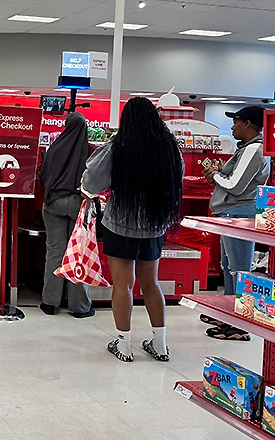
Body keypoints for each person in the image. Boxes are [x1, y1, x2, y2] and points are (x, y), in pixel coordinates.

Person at [81, 97, 183, 362]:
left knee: (123, 285)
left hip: (120, 223)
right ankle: (160, 344)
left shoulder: (118, 145)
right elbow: (177, 179)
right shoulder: (170, 148)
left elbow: (90, 181)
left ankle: (123, 344)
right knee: (151, 283)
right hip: (154, 223)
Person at [201, 105, 269, 342]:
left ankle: (239, 325)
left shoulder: (254, 149)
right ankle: (228, 315)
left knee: (240, 270)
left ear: (248, 124)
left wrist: (215, 176)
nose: (232, 126)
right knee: (230, 266)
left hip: (240, 214)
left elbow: (236, 186)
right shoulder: (248, 149)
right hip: (233, 213)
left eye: (236, 121)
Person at [39, 112, 94, 318]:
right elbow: (95, 179)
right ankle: (79, 307)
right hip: (79, 205)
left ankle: (49, 303)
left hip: (54, 203)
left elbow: (43, 175)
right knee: (77, 254)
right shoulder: (90, 150)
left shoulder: (55, 148)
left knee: (55, 251)